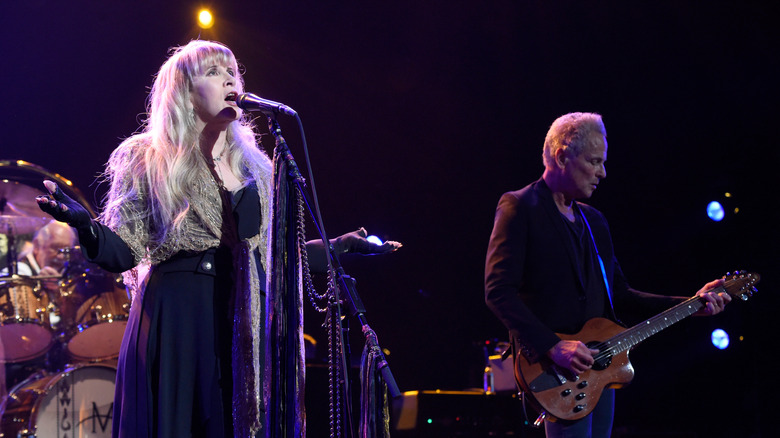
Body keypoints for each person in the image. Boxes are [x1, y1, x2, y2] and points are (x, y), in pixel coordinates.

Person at [36, 40, 399, 438]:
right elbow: (124, 248)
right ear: (184, 93)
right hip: (177, 316)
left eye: (232, 73)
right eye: (213, 73)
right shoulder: (147, 157)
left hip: (240, 319)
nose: (229, 80)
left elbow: (278, 258)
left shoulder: (260, 168)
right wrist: (84, 225)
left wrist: (339, 246)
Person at [484, 112, 730, 438]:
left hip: (599, 368)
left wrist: (692, 304)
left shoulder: (594, 220)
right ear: (561, 155)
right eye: (594, 161)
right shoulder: (519, 207)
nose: (603, 172)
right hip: (554, 370)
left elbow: (621, 294)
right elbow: (498, 291)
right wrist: (553, 346)